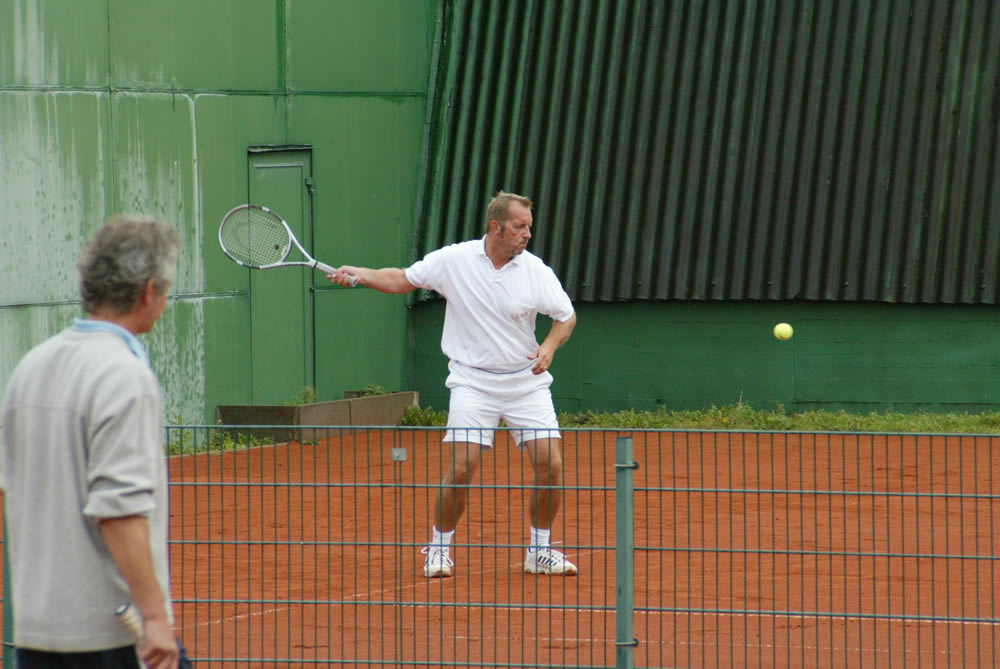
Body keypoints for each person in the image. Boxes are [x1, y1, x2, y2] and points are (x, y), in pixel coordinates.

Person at [328, 191, 578, 577]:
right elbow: (403, 279)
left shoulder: (535, 271)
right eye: (519, 227)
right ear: (496, 227)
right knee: (462, 468)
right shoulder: (455, 260)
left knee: (552, 464)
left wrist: (548, 346)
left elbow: (566, 317)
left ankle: (539, 551)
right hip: (472, 383)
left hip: (526, 383)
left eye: (529, 226)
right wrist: (361, 274)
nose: (528, 234)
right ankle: (438, 549)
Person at [1, 216, 187, 668]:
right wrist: (155, 617)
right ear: (149, 291)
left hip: (37, 634)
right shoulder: (125, 376)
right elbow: (119, 510)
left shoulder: (30, 367)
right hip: (114, 635)